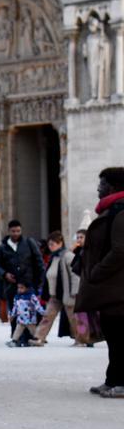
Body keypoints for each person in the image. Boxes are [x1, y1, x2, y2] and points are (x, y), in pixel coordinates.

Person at [74, 167, 124, 398]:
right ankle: (112, 379)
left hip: (117, 288)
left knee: (120, 338)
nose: (98, 188)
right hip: (111, 289)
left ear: (113, 187)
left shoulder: (121, 212)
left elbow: (120, 251)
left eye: (102, 183)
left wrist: (96, 271)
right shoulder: (113, 211)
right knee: (114, 337)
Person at [0, 219, 45, 335]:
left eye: (18, 231)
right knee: (14, 311)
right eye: (13, 231)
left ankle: (29, 336)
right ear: (9, 231)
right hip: (12, 286)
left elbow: (39, 262)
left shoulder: (29, 243)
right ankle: (16, 336)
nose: (16, 233)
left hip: (28, 284)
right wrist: (5, 274)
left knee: (30, 311)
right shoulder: (2, 248)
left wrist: (40, 283)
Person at [30, 231, 79, 345]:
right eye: (49, 244)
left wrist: (75, 291)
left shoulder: (68, 256)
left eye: (53, 244)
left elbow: (75, 275)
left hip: (67, 293)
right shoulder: (54, 257)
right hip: (54, 294)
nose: (50, 247)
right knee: (47, 316)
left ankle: (80, 338)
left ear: (60, 243)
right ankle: (39, 337)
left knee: (73, 318)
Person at [5, 282, 43, 347]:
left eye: (22, 288)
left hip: (30, 319)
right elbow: (15, 307)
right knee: (18, 330)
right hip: (21, 319)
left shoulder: (31, 296)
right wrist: (12, 315)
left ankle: (38, 340)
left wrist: (43, 312)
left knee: (33, 331)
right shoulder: (17, 297)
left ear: (27, 288)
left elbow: (37, 306)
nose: (19, 289)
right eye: (18, 288)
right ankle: (14, 340)